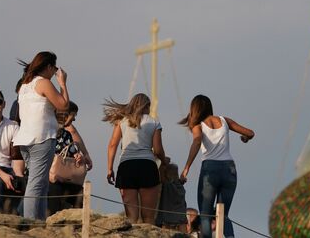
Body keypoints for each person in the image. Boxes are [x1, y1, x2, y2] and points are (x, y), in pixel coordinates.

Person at [179, 95, 255, 238]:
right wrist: (245, 138)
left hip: (210, 168)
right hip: (229, 169)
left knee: (206, 215)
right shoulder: (224, 120)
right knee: (223, 214)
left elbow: (196, 142)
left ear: (194, 110)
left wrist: (186, 169)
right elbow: (250, 133)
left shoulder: (198, 125)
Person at [12, 51, 69, 220]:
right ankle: (30, 222)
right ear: (49, 66)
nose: (55, 72)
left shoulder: (24, 85)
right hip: (42, 137)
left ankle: (39, 221)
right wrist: (63, 84)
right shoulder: (43, 83)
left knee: (41, 182)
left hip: (25, 139)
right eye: (54, 68)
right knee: (36, 184)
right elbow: (63, 105)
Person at [104, 93, 167, 224]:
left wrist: (110, 168)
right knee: (148, 217)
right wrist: (165, 161)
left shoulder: (122, 121)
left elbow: (112, 145)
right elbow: (158, 149)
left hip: (126, 167)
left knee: (131, 217)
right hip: (147, 166)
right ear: (147, 106)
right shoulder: (154, 122)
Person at [48, 101, 92, 215]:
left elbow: (72, 152)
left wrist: (78, 157)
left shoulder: (66, 135)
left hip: (63, 177)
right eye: (73, 116)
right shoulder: (46, 132)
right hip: (48, 177)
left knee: (79, 193)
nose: (74, 120)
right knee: (55, 189)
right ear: (65, 115)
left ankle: (78, 221)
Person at [156, 157, 188, 231]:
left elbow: (161, 176)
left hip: (167, 214)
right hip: (180, 213)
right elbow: (179, 181)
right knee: (182, 225)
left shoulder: (167, 185)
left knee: (166, 230)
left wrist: (163, 163)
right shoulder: (180, 185)